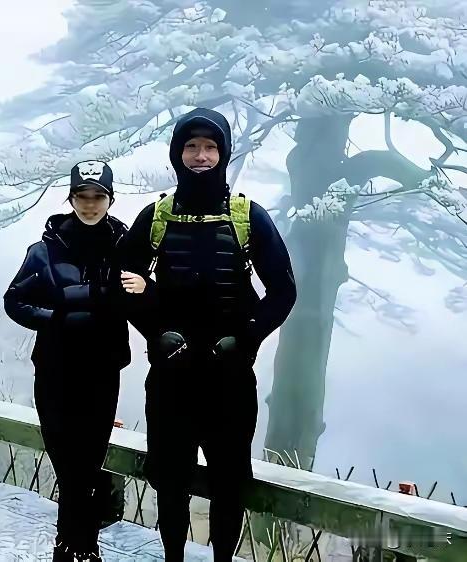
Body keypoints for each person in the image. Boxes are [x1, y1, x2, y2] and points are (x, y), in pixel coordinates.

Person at [119, 108, 297, 561]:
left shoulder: (247, 216)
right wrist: (155, 332)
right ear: (177, 154)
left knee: (228, 483)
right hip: (172, 377)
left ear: (224, 153)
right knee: (170, 480)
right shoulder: (157, 216)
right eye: (192, 147)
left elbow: (283, 291)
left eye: (210, 147)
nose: (201, 156)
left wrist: (248, 338)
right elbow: (120, 282)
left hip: (229, 379)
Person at [4, 160, 145, 562]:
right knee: (67, 461)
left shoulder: (126, 248)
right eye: (82, 196)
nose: (90, 204)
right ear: (70, 198)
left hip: (103, 368)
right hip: (55, 368)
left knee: (89, 461)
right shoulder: (44, 250)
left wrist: (145, 287)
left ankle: (77, 547)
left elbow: (149, 298)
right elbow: (14, 300)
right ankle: (76, 545)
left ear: (111, 199)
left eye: (98, 196)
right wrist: (56, 319)